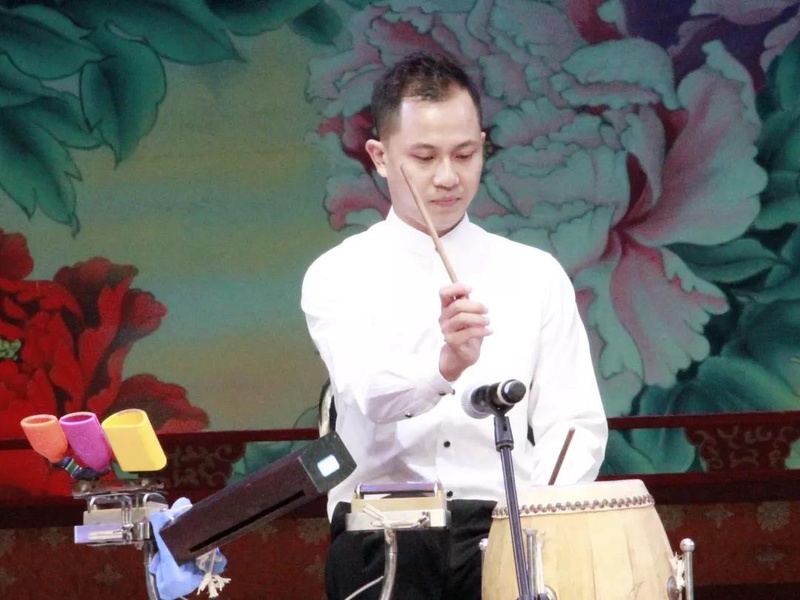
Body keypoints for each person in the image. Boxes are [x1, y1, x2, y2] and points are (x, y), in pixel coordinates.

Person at [302, 51, 607, 600]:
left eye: (465, 154)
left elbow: (574, 423)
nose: (448, 177)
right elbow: (367, 393)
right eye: (424, 157)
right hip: (381, 532)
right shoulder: (339, 274)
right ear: (380, 157)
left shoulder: (534, 274)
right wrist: (444, 367)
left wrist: (536, 516)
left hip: (505, 528)